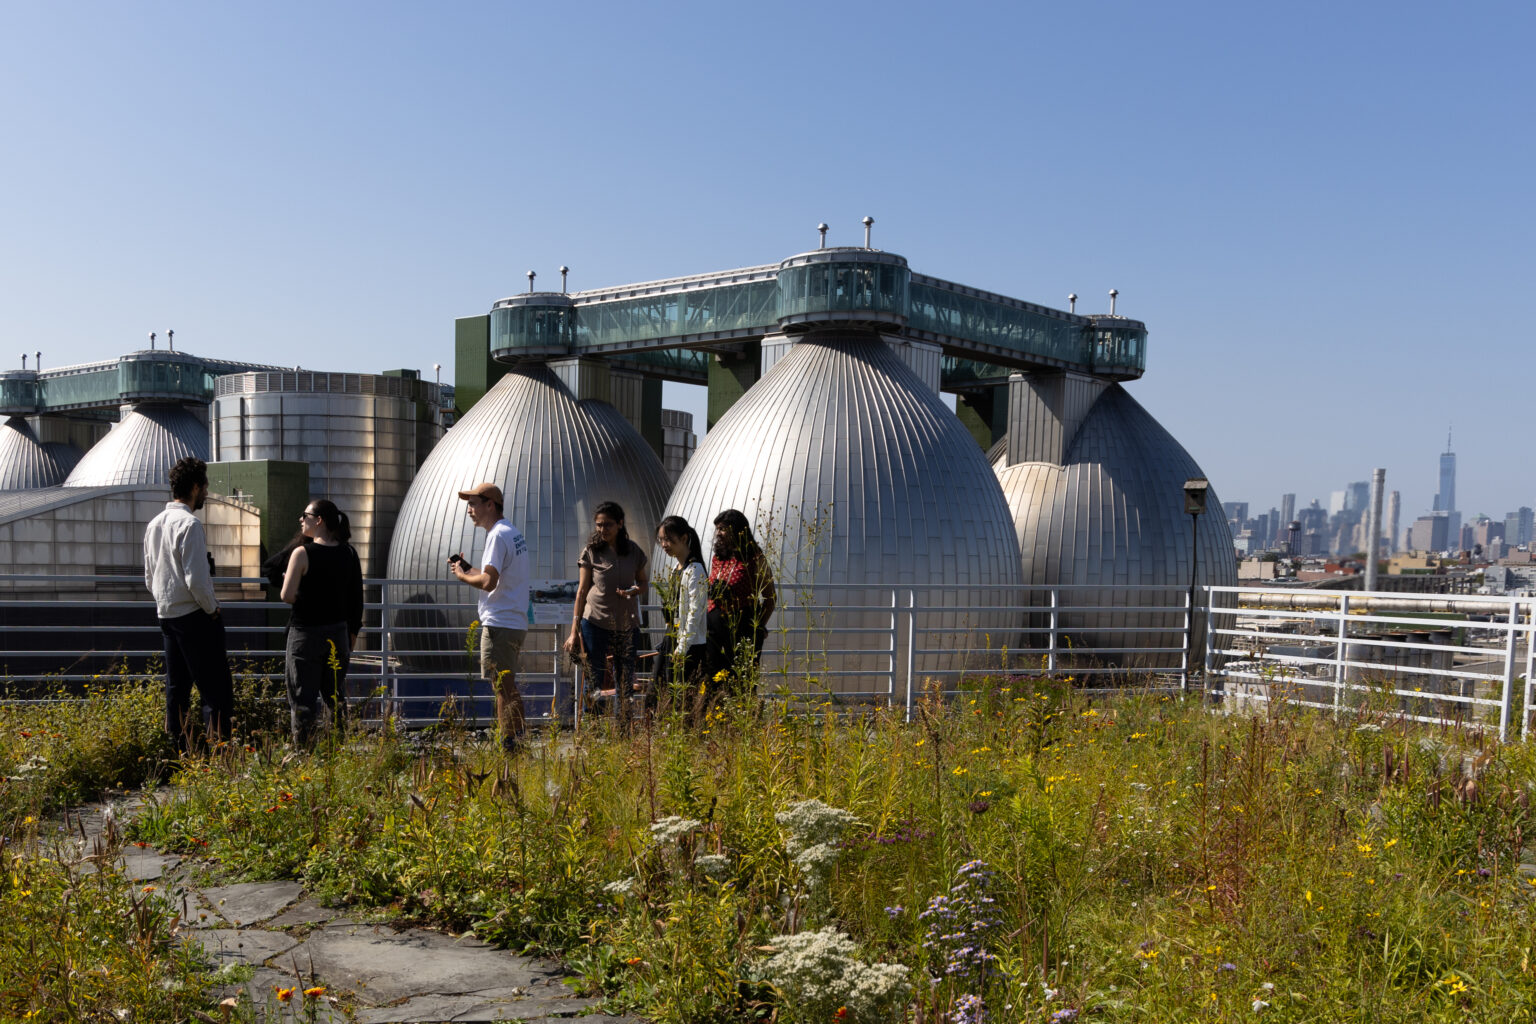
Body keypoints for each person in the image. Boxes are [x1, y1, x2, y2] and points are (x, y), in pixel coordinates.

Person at [142, 456, 234, 753]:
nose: (206, 493)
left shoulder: (154, 525)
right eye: (205, 487)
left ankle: (180, 754)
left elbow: (149, 577)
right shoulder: (190, 524)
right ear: (196, 487)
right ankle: (218, 754)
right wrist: (212, 609)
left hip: (167, 615)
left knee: (177, 689)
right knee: (215, 691)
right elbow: (196, 580)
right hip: (194, 616)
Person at [274, 500, 363, 748]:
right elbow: (357, 597)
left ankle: (304, 753)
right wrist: (352, 633)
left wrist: (296, 584)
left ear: (319, 520)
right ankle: (339, 749)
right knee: (335, 697)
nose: (301, 520)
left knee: (303, 698)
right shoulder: (349, 553)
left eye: (305, 515)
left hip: (305, 634)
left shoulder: (302, 553)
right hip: (338, 633)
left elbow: (286, 596)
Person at [449, 483, 531, 753]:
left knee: (502, 688)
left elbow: (488, 582)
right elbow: (494, 577)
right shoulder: (511, 532)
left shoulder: (497, 535)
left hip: (499, 623)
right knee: (508, 686)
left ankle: (509, 744)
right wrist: (468, 568)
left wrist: (462, 576)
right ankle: (516, 739)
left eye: (473, 504)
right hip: (513, 621)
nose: (469, 510)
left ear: (490, 505)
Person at [563, 501, 648, 729]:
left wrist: (633, 591)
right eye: (599, 525)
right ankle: (593, 727)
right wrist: (574, 632)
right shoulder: (591, 551)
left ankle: (623, 728)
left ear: (620, 524)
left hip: (626, 623)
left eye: (608, 524)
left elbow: (643, 582)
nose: (602, 529)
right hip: (595, 621)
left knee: (624, 677)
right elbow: (581, 591)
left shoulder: (633, 551)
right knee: (594, 677)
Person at [706, 508, 776, 688]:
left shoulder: (754, 558)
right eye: (717, 529)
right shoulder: (718, 558)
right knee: (713, 678)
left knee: (742, 680)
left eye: (722, 529)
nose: (718, 534)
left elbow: (770, 597)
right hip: (714, 628)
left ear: (736, 530)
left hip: (742, 627)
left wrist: (758, 627)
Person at [655, 515, 708, 723]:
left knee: (684, 693)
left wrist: (682, 646)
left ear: (684, 538)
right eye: (661, 540)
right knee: (664, 686)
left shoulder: (695, 569)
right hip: (674, 637)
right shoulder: (679, 569)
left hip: (689, 644)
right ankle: (671, 730)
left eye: (668, 539)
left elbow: (696, 610)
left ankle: (687, 734)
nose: (664, 545)